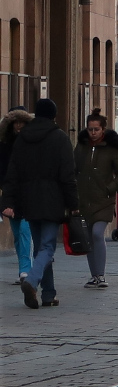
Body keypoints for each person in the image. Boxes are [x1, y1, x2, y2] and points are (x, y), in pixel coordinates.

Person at [1, 98, 78, 309]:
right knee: (47, 247)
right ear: (54, 115)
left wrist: (8, 200)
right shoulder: (60, 138)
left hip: (28, 200)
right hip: (53, 199)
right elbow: (68, 175)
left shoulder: (23, 138)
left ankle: (49, 294)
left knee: (40, 249)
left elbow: (12, 173)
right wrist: (73, 203)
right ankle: (32, 281)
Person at [74, 110, 118, 288]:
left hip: (104, 199)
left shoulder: (111, 149)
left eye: (96, 129)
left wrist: (110, 188)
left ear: (103, 129)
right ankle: (94, 275)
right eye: (90, 129)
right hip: (84, 199)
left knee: (97, 233)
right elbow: (73, 169)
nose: (93, 133)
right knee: (88, 236)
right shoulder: (81, 147)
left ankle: (101, 274)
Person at [1, 107, 33, 286]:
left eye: (22, 122)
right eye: (16, 122)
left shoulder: (33, 143)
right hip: (11, 194)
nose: (19, 126)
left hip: (29, 193)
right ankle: (23, 268)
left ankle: (26, 270)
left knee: (25, 231)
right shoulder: (5, 144)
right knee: (16, 232)